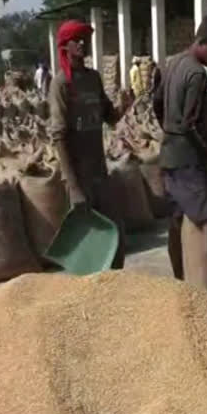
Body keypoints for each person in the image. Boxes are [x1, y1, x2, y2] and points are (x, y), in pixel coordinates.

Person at [153, 11, 207, 291]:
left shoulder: (171, 63)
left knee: (175, 223)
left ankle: (179, 284)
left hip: (167, 154)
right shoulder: (197, 74)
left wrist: (167, 128)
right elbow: (190, 124)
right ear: (206, 42)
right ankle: (205, 296)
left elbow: (157, 101)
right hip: (187, 158)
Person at [49, 20, 126, 269]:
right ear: (65, 46)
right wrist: (73, 186)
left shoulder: (93, 78)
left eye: (85, 39)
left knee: (117, 234)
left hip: (99, 171)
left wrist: (126, 105)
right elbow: (59, 135)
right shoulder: (61, 84)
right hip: (78, 175)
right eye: (77, 40)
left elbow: (110, 117)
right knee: (89, 244)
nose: (82, 44)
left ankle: (114, 286)